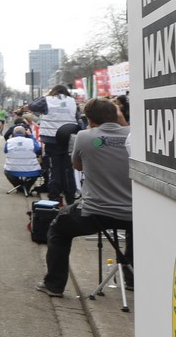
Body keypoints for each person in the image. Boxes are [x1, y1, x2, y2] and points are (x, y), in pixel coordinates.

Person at [37, 98, 133, 297]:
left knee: (58, 228)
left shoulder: (84, 136)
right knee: (135, 233)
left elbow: (78, 166)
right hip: (132, 214)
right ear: (117, 115)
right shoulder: (135, 135)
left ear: (89, 119)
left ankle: (54, 285)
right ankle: (131, 277)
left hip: (95, 213)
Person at [29, 85, 81, 204]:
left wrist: (45, 96)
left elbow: (32, 106)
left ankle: (54, 197)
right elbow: (77, 118)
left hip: (51, 139)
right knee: (68, 170)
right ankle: (70, 197)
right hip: (68, 139)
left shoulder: (47, 100)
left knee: (55, 169)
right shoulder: (72, 101)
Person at [3, 126, 43, 195]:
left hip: (12, 170)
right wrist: (31, 136)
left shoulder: (9, 142)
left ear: (13, 134)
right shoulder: (31, 141)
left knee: (7, 172)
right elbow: (38, 150)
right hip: (32, 170)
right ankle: (26, 187)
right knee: (36, 173)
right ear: (25, 133)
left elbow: (5, 151)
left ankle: (19, 187)